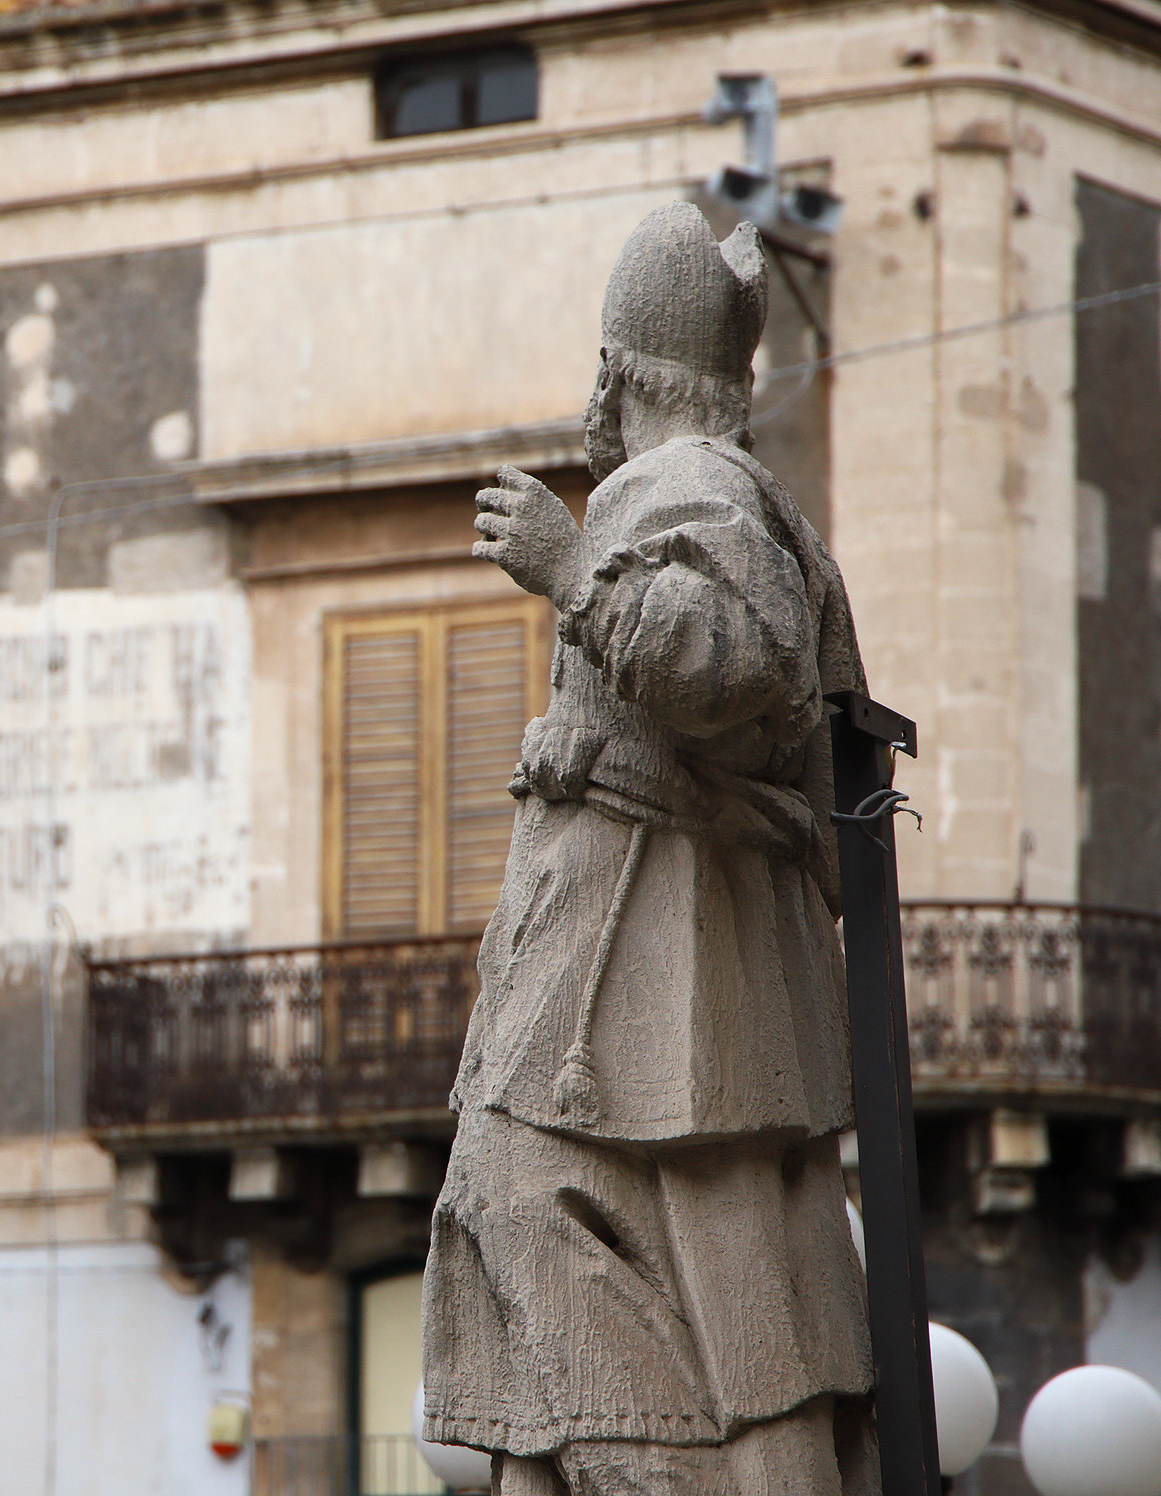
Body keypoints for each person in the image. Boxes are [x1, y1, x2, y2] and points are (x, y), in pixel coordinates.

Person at [419, 201, 876, 1496]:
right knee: (728, 1257)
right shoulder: (725, 495)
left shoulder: (694, 491)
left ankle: (643, 1469)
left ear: (614, 374)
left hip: (651, 967)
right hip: (646, 962)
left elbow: (741, 674)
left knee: (522, 1202)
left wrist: (574, 572)